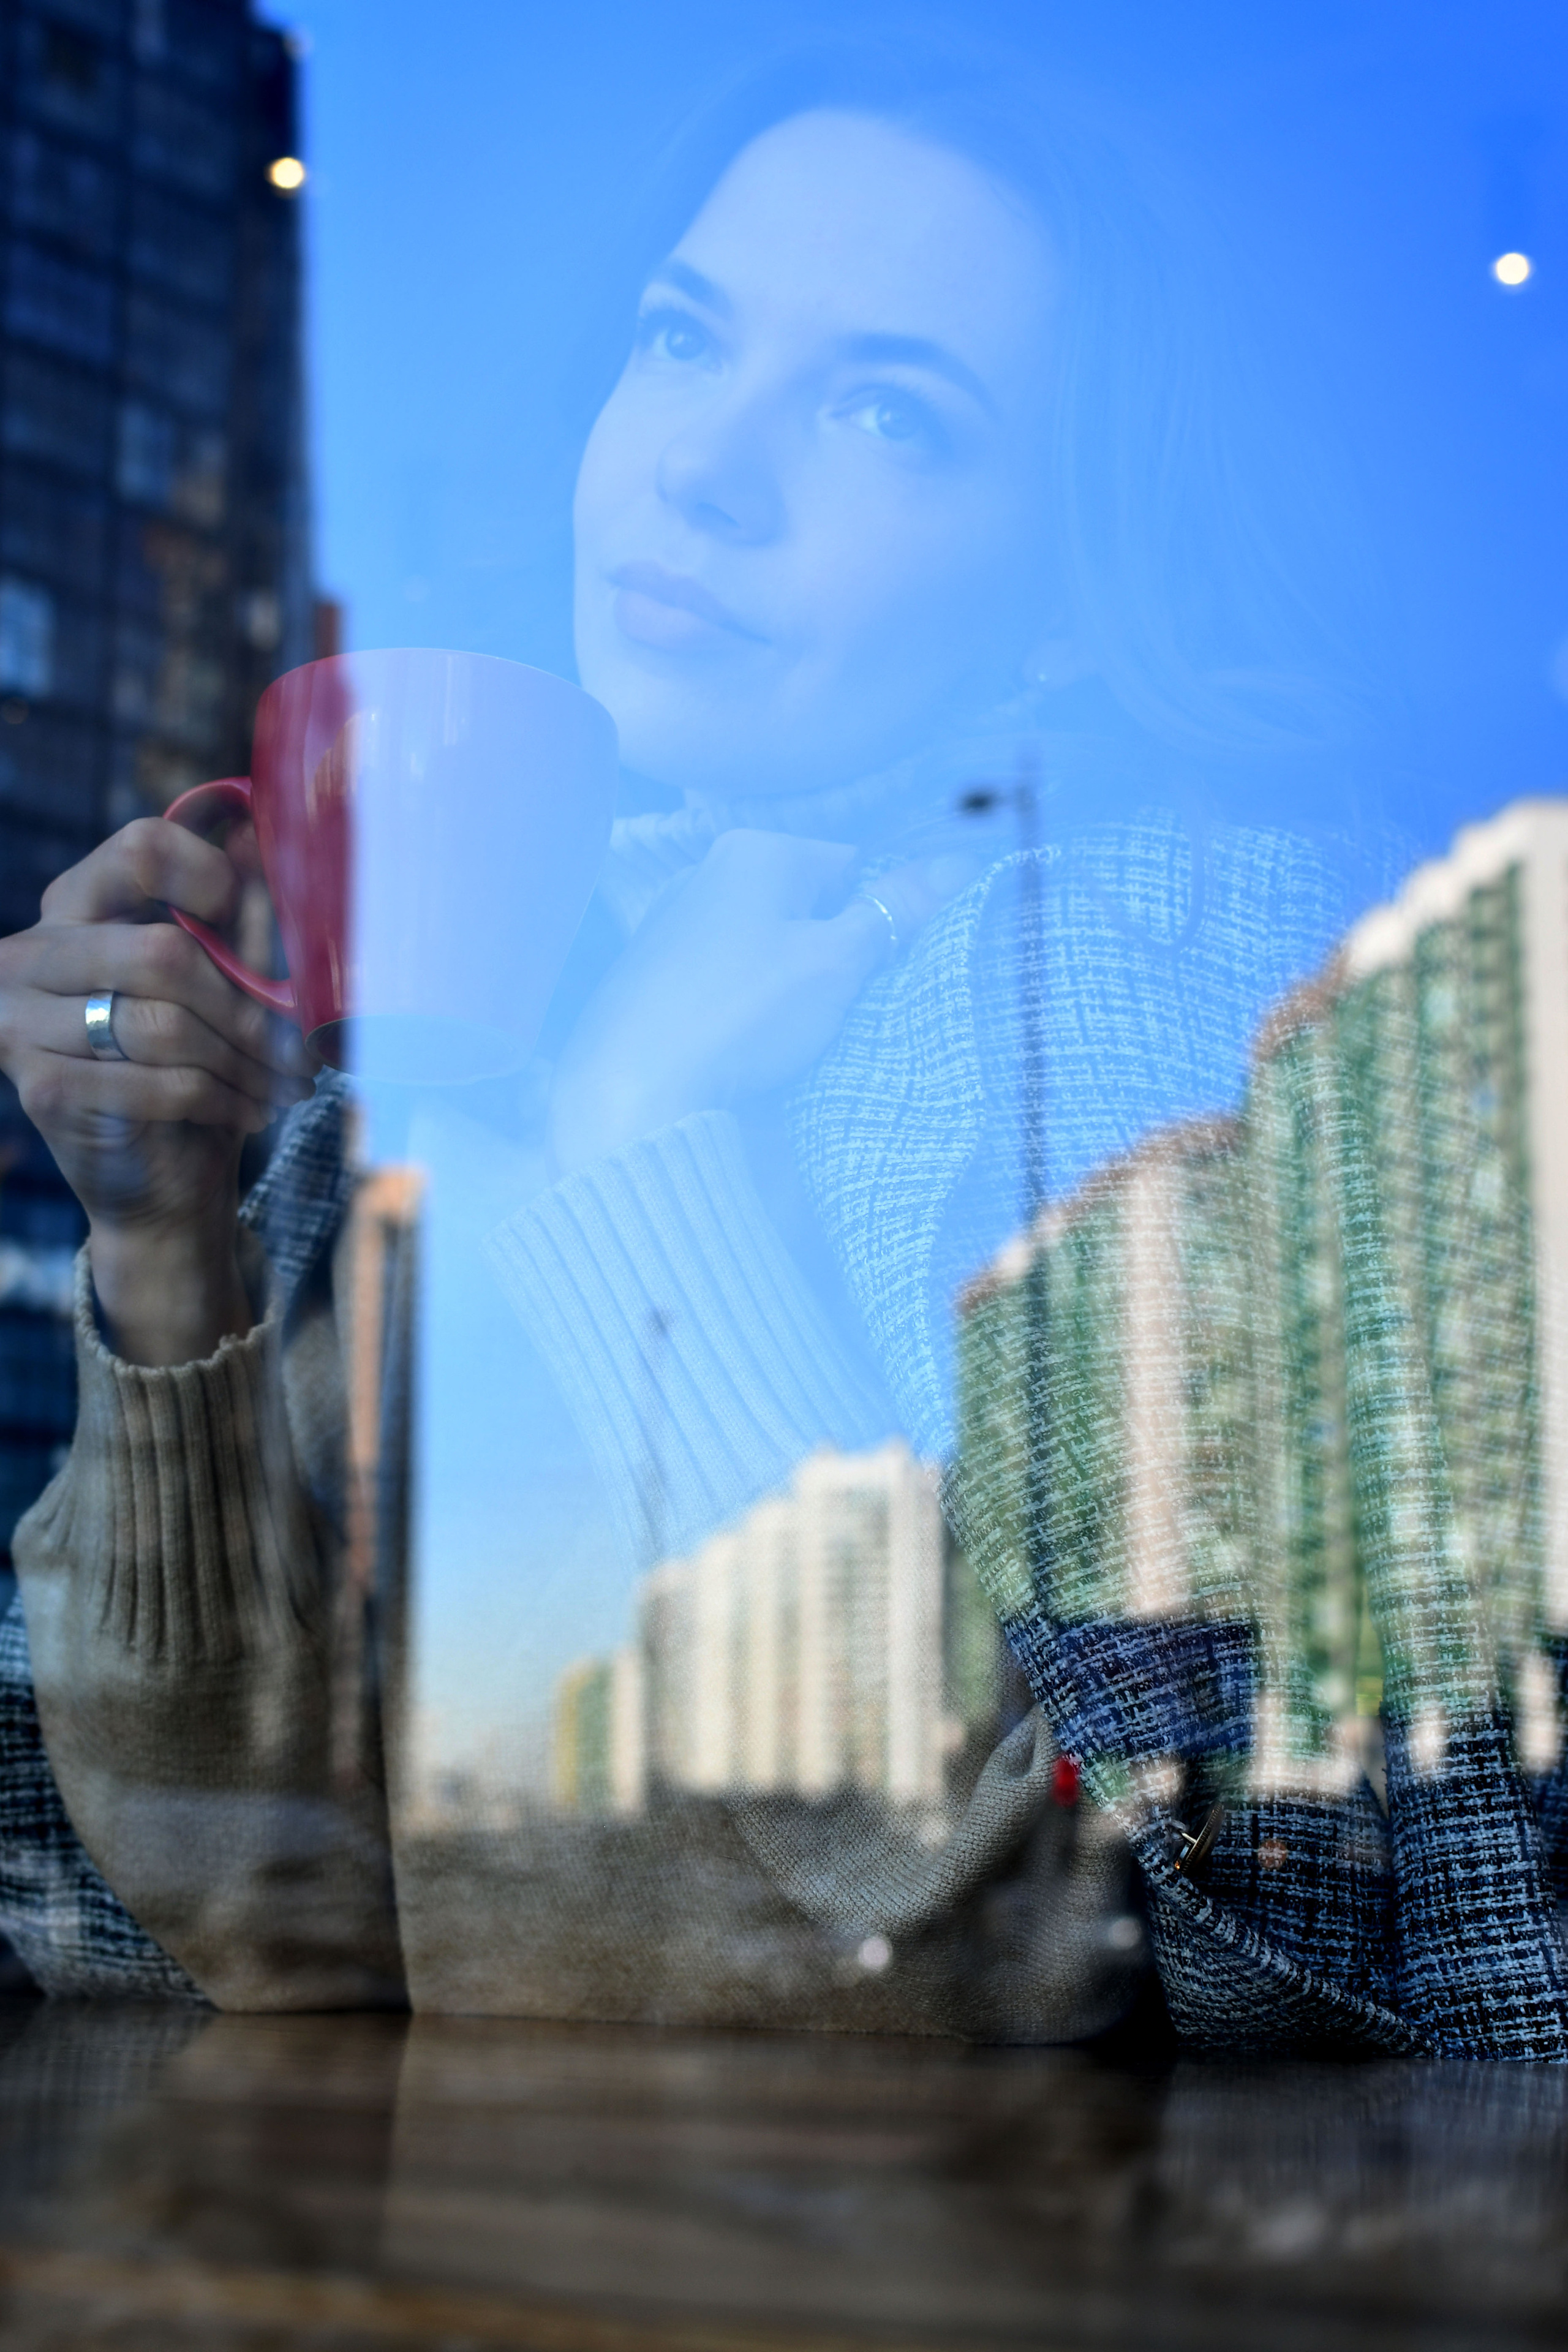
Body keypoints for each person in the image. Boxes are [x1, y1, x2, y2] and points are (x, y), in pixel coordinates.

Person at [9, 34, 1535, 2047]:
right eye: (681, 339)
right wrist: (162, 1250)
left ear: (1073, 592)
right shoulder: (481, 1038)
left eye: (892, 414)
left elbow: (1236, 1962)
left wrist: (647, 1172)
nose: (703, 465)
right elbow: (228, 1914)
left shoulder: (1157, 989)